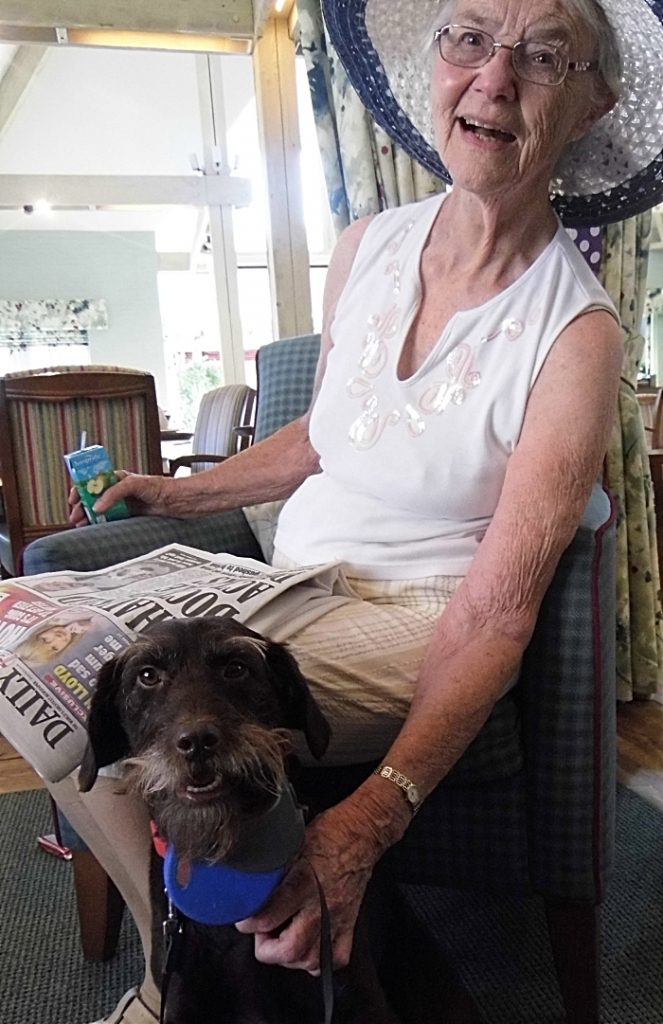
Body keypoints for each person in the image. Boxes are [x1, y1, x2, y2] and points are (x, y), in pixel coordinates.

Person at [47, 1, 663, 1021]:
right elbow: (327, 433)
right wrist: (182, 491)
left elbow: (500, 610)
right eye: (470, 38)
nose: (494, 78)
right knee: (44, 640)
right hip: (286, 581)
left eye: (543, 55)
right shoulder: (368, 243)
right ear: (436, 65)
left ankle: (170, 983)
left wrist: (367, 822)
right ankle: (183, 935)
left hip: (418, 618)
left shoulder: (577, 333)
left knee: (104, 696)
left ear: (592, 104)